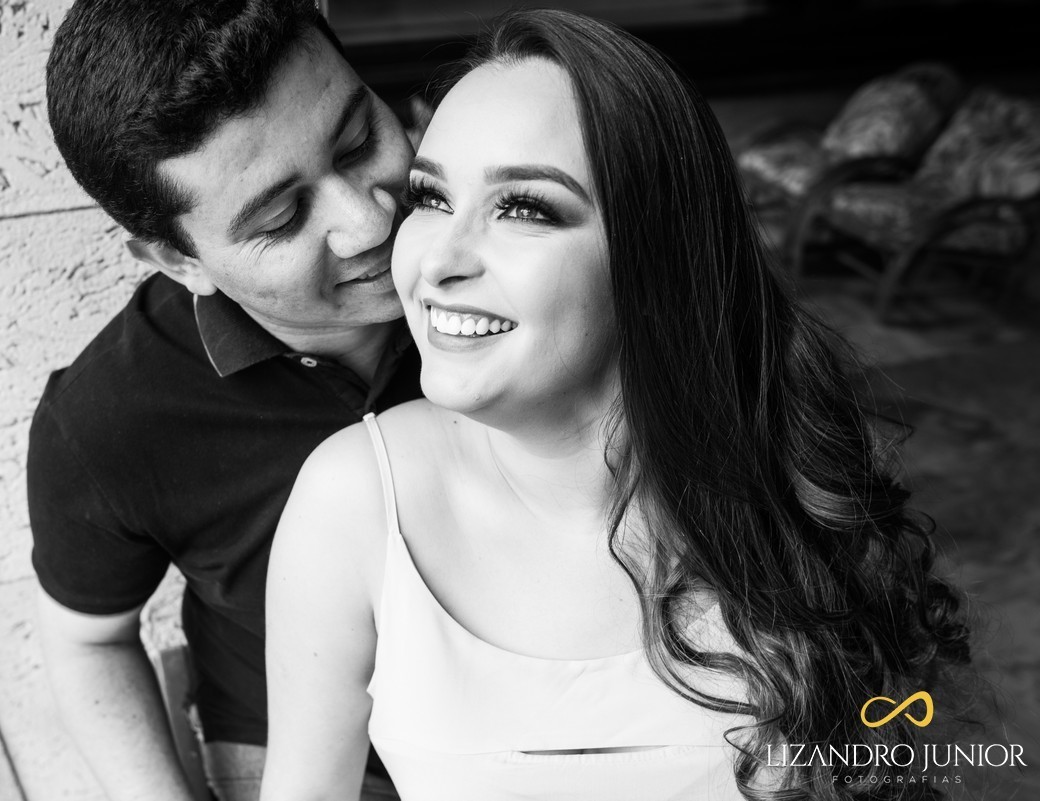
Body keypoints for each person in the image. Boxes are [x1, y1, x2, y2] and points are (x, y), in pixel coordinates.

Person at [262, 9, 971, 800]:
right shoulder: (355, 499)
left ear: (654, 259)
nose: (438, 261)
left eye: (524, 209)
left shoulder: (797, 493)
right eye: (429, 197)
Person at [29, 1, 420, 799]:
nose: (369, 220)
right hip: (291, 743)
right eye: (282, 217)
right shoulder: (108, 417)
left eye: (358, 142)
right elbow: (87, 642)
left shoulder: (507, 245)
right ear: (179, 260)